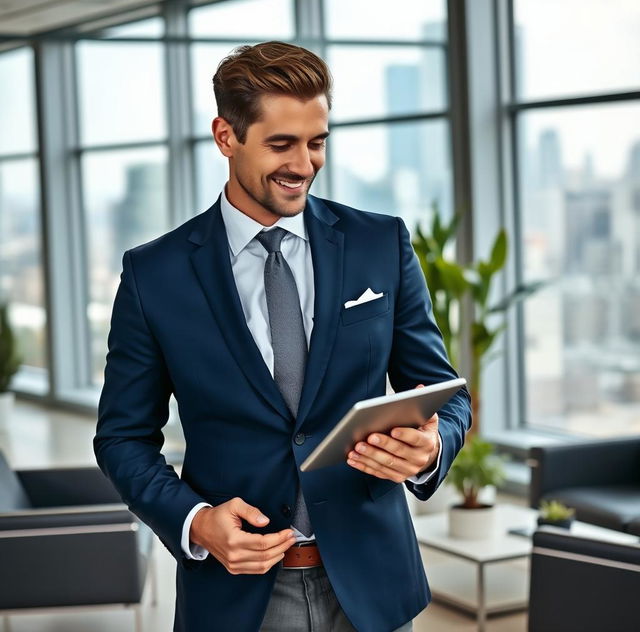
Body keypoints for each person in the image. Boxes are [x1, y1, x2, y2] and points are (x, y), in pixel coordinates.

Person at [94, 41, 471, 632]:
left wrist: (432, 448)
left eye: (316, 142)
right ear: (226, 136)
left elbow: (446, 394)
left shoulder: (381, 243)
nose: (304, 164)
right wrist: (194, 521)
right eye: (281, 144)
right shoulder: (155, 276)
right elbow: (121, 438)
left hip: (373, 585)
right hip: (237, 594)